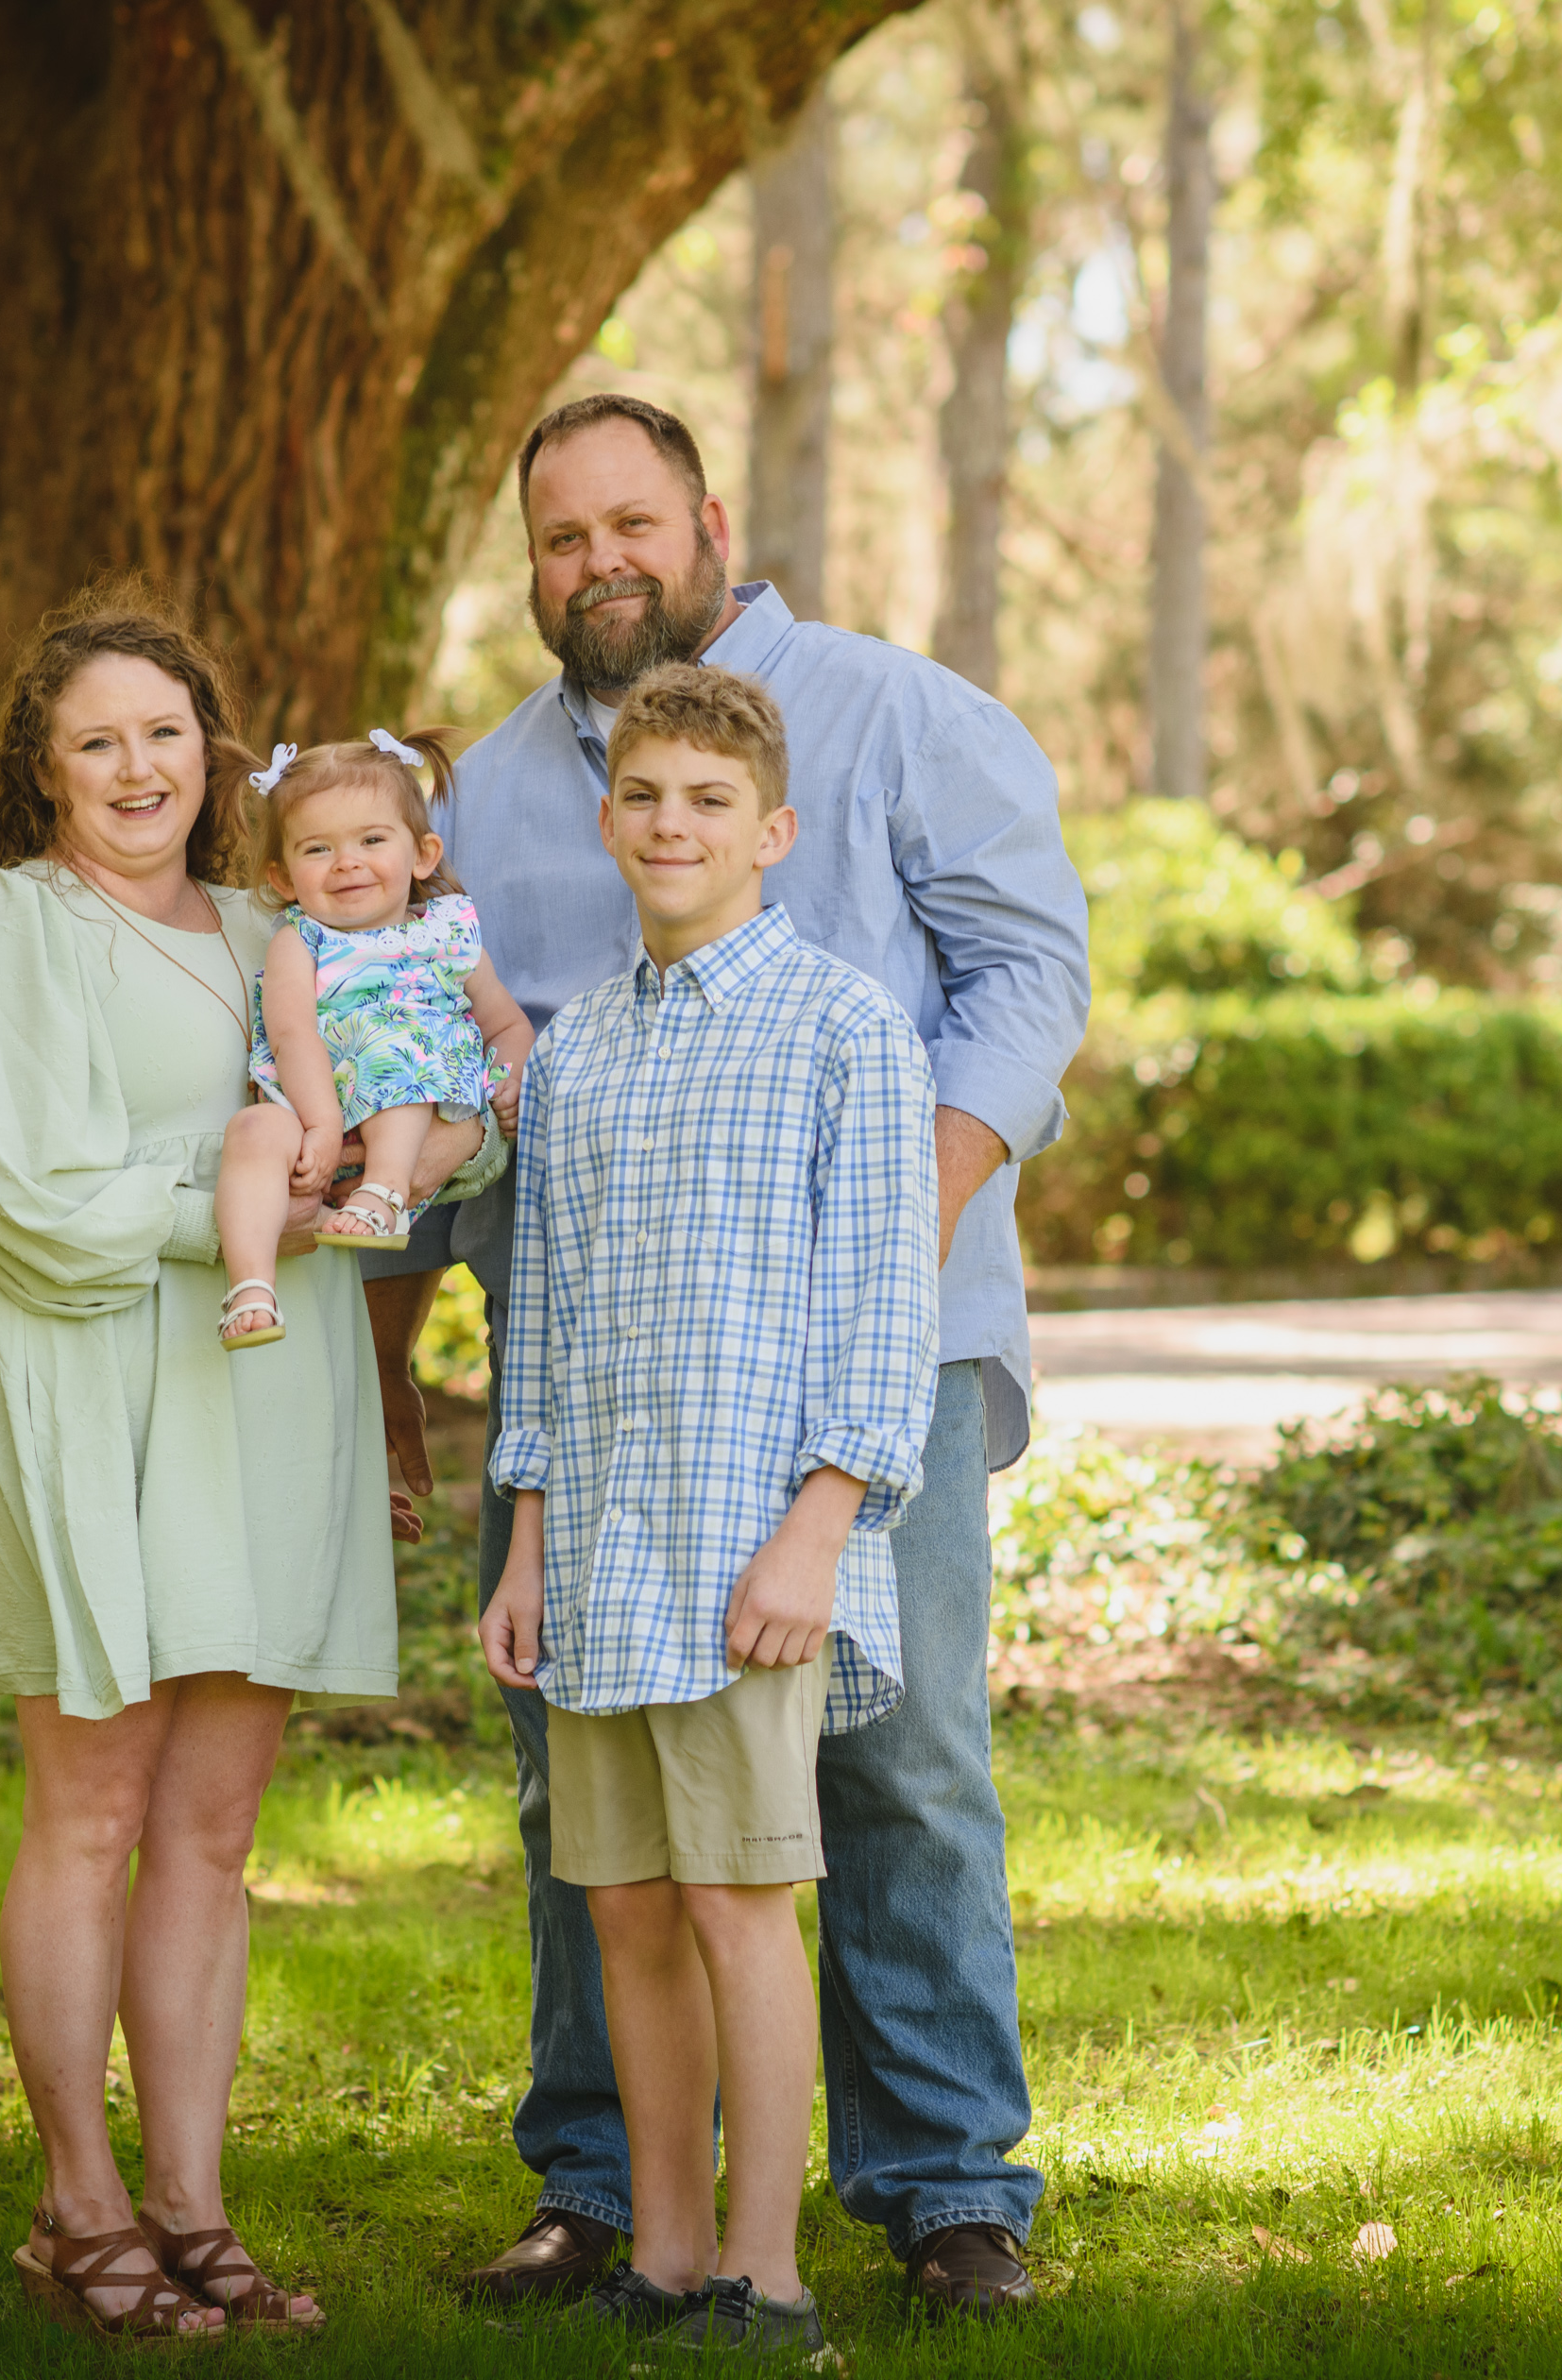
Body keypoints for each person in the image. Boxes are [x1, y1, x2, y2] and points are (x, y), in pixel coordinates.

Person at [368, 394, 1091, 2318]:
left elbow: (1032, 970)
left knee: (900, 1754)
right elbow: (468, 1069)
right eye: (557, 538)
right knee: (590, 1795)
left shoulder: (895, 711)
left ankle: (944, 2182)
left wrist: (900, 1216)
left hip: (877, 1343)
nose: (597, 560)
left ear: (706, 517)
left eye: (630, 521)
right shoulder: (504, 788)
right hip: (607, 1390)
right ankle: (610, 2181)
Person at [0, 579, 392, 2342]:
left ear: (214, 749)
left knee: (211, 1824)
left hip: (261, 1405)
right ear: (41, 768)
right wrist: (233, 1211)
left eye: (164, 732)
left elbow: (396, 1092)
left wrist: (394, 1161)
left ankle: (191, 2200)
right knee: (92, 1805)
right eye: (94, 738)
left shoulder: (284, 925)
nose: (134, 766)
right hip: (84, 1390)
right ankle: (74, 2201)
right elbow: (21, 1198)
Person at [478, 665, 942, 2358]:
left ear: (772, 830)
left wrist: (820, 1524)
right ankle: (663, 2255)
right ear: (609, 820)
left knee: (743, 1901)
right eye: (644, 797)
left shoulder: (841, 1029)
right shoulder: (580, 1050)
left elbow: (885, 1302)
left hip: (752, 1550)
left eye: (706, 801)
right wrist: (525, 1540)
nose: (671, 824)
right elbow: (541, 1317)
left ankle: (770, 2273)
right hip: (599, 1552)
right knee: (624, 1905)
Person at [212, 727, 535, 1346]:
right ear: (283, 878)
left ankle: (382, 1193)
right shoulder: (298, 940)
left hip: (414, 1099)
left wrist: (511, 1078)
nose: (347, 862)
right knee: (251, 1132)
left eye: (371, 839)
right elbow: (291, 1035)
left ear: (423, 854)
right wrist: (321, 1125)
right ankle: (250, 1285)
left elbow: (505, 1022)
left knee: (397, 1050)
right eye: (318, 849)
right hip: (311, 1104)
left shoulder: (447, 933)